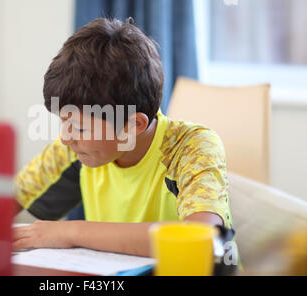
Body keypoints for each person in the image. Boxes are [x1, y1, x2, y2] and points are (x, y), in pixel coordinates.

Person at [12, 17, 233, 257]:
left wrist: (70, 232)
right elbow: (14, 196)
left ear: (133, 125)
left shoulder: (190, 147)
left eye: (80, 128)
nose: (65, 138)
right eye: (64, 121)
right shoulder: (75, 148)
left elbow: (201, 238)